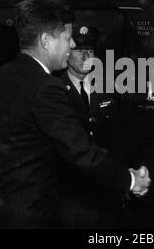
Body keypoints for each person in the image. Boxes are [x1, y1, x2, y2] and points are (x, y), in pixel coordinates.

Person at [0, 0, 150, 228]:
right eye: (68, 38)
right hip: (34, 213)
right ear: (46, 41)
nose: (71, 46)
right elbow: (81, 152)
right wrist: (130, 180)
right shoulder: (47, 87)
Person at [59, 24, 129, 228]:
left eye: (89, 51)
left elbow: (120, 137)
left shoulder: (110, 87)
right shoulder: (53, 89)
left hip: (105, 186)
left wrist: (122, 180)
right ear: (67, 53)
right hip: (69, 189)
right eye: (79, 51)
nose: (85, 57)